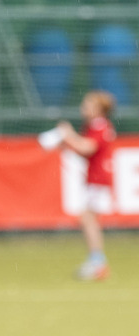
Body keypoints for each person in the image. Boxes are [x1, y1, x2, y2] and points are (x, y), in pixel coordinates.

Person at [57, 89, 116, 280]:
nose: (83, 108)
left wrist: (69, 135)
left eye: (87, 105)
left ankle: (98, 262)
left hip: (99, 179)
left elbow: (88, 147)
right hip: (96, 179)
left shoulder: (100, 126)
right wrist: (70, 142)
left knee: (88, 219)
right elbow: (84, 150)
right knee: (88, 218)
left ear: (98, 108)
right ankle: (96, 260)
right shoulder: (95, 126)